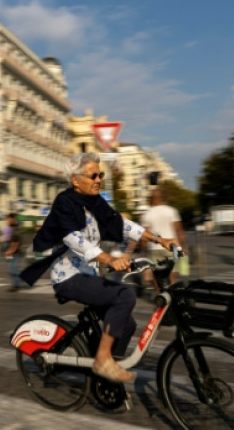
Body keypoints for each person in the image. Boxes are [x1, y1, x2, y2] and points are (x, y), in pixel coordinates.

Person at [20, 152, 177, 383]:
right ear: (75, 180)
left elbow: (122, 224)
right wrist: (108, 259)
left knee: (127, 325)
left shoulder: (94, 203)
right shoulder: (65, 203)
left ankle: (106, 374)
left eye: (100, 175)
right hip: (68, 276)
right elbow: (73, 238)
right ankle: (102, 359)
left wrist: (159, 239)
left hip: (89, 274)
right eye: (93, 175)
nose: (98, 180)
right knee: (124, 296)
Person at [140, 189, 187, 291]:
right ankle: (172, 298)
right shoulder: (171, 211)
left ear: (151, 199)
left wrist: (144, 254)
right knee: (172, 278)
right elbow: (179, 231)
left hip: (154, 249)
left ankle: (160, 299)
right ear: (161, 198)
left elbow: (144, 237)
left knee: (158, 280)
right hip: (171, 247)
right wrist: (183, 247)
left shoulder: (147, 214)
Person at [3, 213, 26, 292]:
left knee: (12, 269)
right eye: (7, 219)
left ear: (13, 219)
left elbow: (16, 243)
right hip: (11, 251)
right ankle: (16, 285)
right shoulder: (11, 228)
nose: (7, 221)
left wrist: (10, 251)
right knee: (11, 269)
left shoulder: (15, 229)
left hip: (15, 252)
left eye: (9, 219)